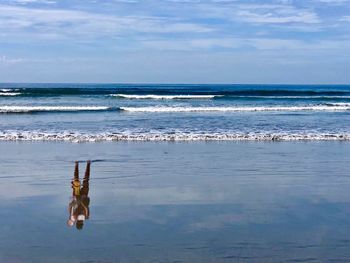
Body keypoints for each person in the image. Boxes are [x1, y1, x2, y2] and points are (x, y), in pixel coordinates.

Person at [67, 160, 91, 230]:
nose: (79, 222)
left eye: (79, 223)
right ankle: (85, 164)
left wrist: (74, 201)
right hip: (81, 197)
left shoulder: (84, 217)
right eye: (80, 223)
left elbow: (70, 207)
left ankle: (79, 164)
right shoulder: (85, 216)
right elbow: (86, 208)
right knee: (84, 180)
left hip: (80, 197)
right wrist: (79, 201)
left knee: (79, 180)